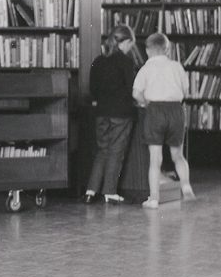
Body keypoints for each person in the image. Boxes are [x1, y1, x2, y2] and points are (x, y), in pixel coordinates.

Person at [132, 32, 195, 209]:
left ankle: (154, 198)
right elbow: (185, 90)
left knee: (155, 159)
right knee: (178, 155)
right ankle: (186, 185)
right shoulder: (177, 67)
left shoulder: (146, 68)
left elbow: (136, 93)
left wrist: (145, 102)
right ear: (167, 49)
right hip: (176, 110)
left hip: (155, 110)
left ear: (147, 51)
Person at [83, 24, 141, 204]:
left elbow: (92, 89)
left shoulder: (98, 61)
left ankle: (90, 190)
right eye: (131, 44)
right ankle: (109, 191)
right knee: (116, 151)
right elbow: (132, 88)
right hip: (121, 113)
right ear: (125, 42)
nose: (131, 48)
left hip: (101, 112)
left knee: (102, 150)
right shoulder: (126, 62)